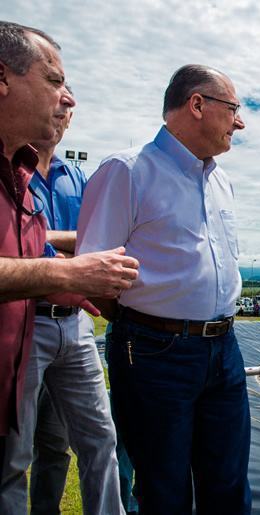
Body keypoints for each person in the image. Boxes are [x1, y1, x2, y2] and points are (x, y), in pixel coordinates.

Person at [77, 64, 251, 514]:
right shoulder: (127, 171)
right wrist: (146, 323)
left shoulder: (220, 181)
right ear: (197, 105)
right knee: (164, 489)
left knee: (228, 483)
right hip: (153, 352)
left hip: (224, 349)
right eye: (233, 108)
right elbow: (92, 273)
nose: (240, 121)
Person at [0, 20, 138, 484]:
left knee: (83, 441)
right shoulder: (16, 173)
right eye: (55, 84)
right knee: (20, 457)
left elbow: (71, 238)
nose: (67, 105)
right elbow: (76, 241)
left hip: (70, 323)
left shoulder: (61, 176)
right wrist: (69, 266)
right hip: (27, 320)